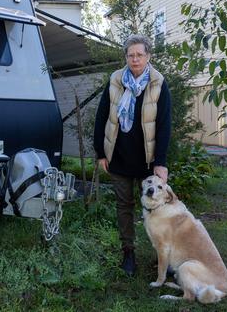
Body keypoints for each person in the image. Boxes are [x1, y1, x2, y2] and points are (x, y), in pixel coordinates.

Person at [93, 34, 172, 277]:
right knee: (124, 207)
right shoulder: (116, 80)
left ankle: (164, 257)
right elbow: (102, 115)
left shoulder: (158, 83)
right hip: (118, 157)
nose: (135, 59)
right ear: (125, 57)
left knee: (157, 209)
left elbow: (164, 124)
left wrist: (160, 162)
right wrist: (100, 152)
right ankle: (128, 253)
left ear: (148, 56)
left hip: (147, 162)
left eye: (139, 54)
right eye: (130, 55)